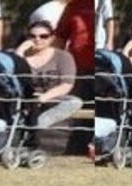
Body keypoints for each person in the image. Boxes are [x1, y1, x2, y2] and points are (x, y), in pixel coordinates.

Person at [18, 21, 82, 134]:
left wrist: (42, 98)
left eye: (43, 36)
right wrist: (19, 51)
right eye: (32, 36)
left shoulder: (63, 56)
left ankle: (32, 128)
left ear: (51, 38)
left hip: (51, 97)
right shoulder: (20, 56)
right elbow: (9, 75)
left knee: (74, 102)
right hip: (24, 98)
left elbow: (66, 85)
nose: (37, 39)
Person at [54, 0, 94, 155]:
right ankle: (76, 148)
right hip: (78, 69)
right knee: (79, 110)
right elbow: (60, 38)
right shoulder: (74, 6)